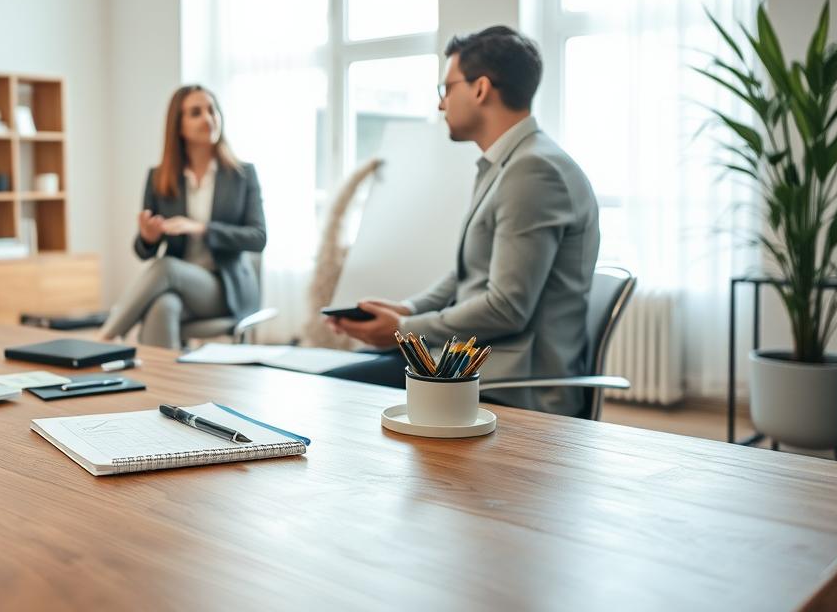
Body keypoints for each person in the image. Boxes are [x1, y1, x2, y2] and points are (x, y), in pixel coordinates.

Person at [325, 26, 600, 416]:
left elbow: (506, 307)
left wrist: (404, 332)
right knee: (336, 381)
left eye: (446, 89)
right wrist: (406, 311)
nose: (441, 105)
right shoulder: (508, 164)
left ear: (481, 89)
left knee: (335, 394)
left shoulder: (533, 171)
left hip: (508, 382)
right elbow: (465, 274)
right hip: (468, 364)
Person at [99, 85, 266, 349]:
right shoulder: (159, 178)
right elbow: (144, 252)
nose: (208, 119)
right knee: (162, 307)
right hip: (178, 288)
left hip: (225, 289)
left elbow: (258, 238)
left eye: (212, 110)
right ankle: (164, 388)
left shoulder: (242, 175)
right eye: (196, 113)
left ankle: (105, 339)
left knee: (166, 268)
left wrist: (203, 229)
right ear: (178, 126)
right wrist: (148, 237)